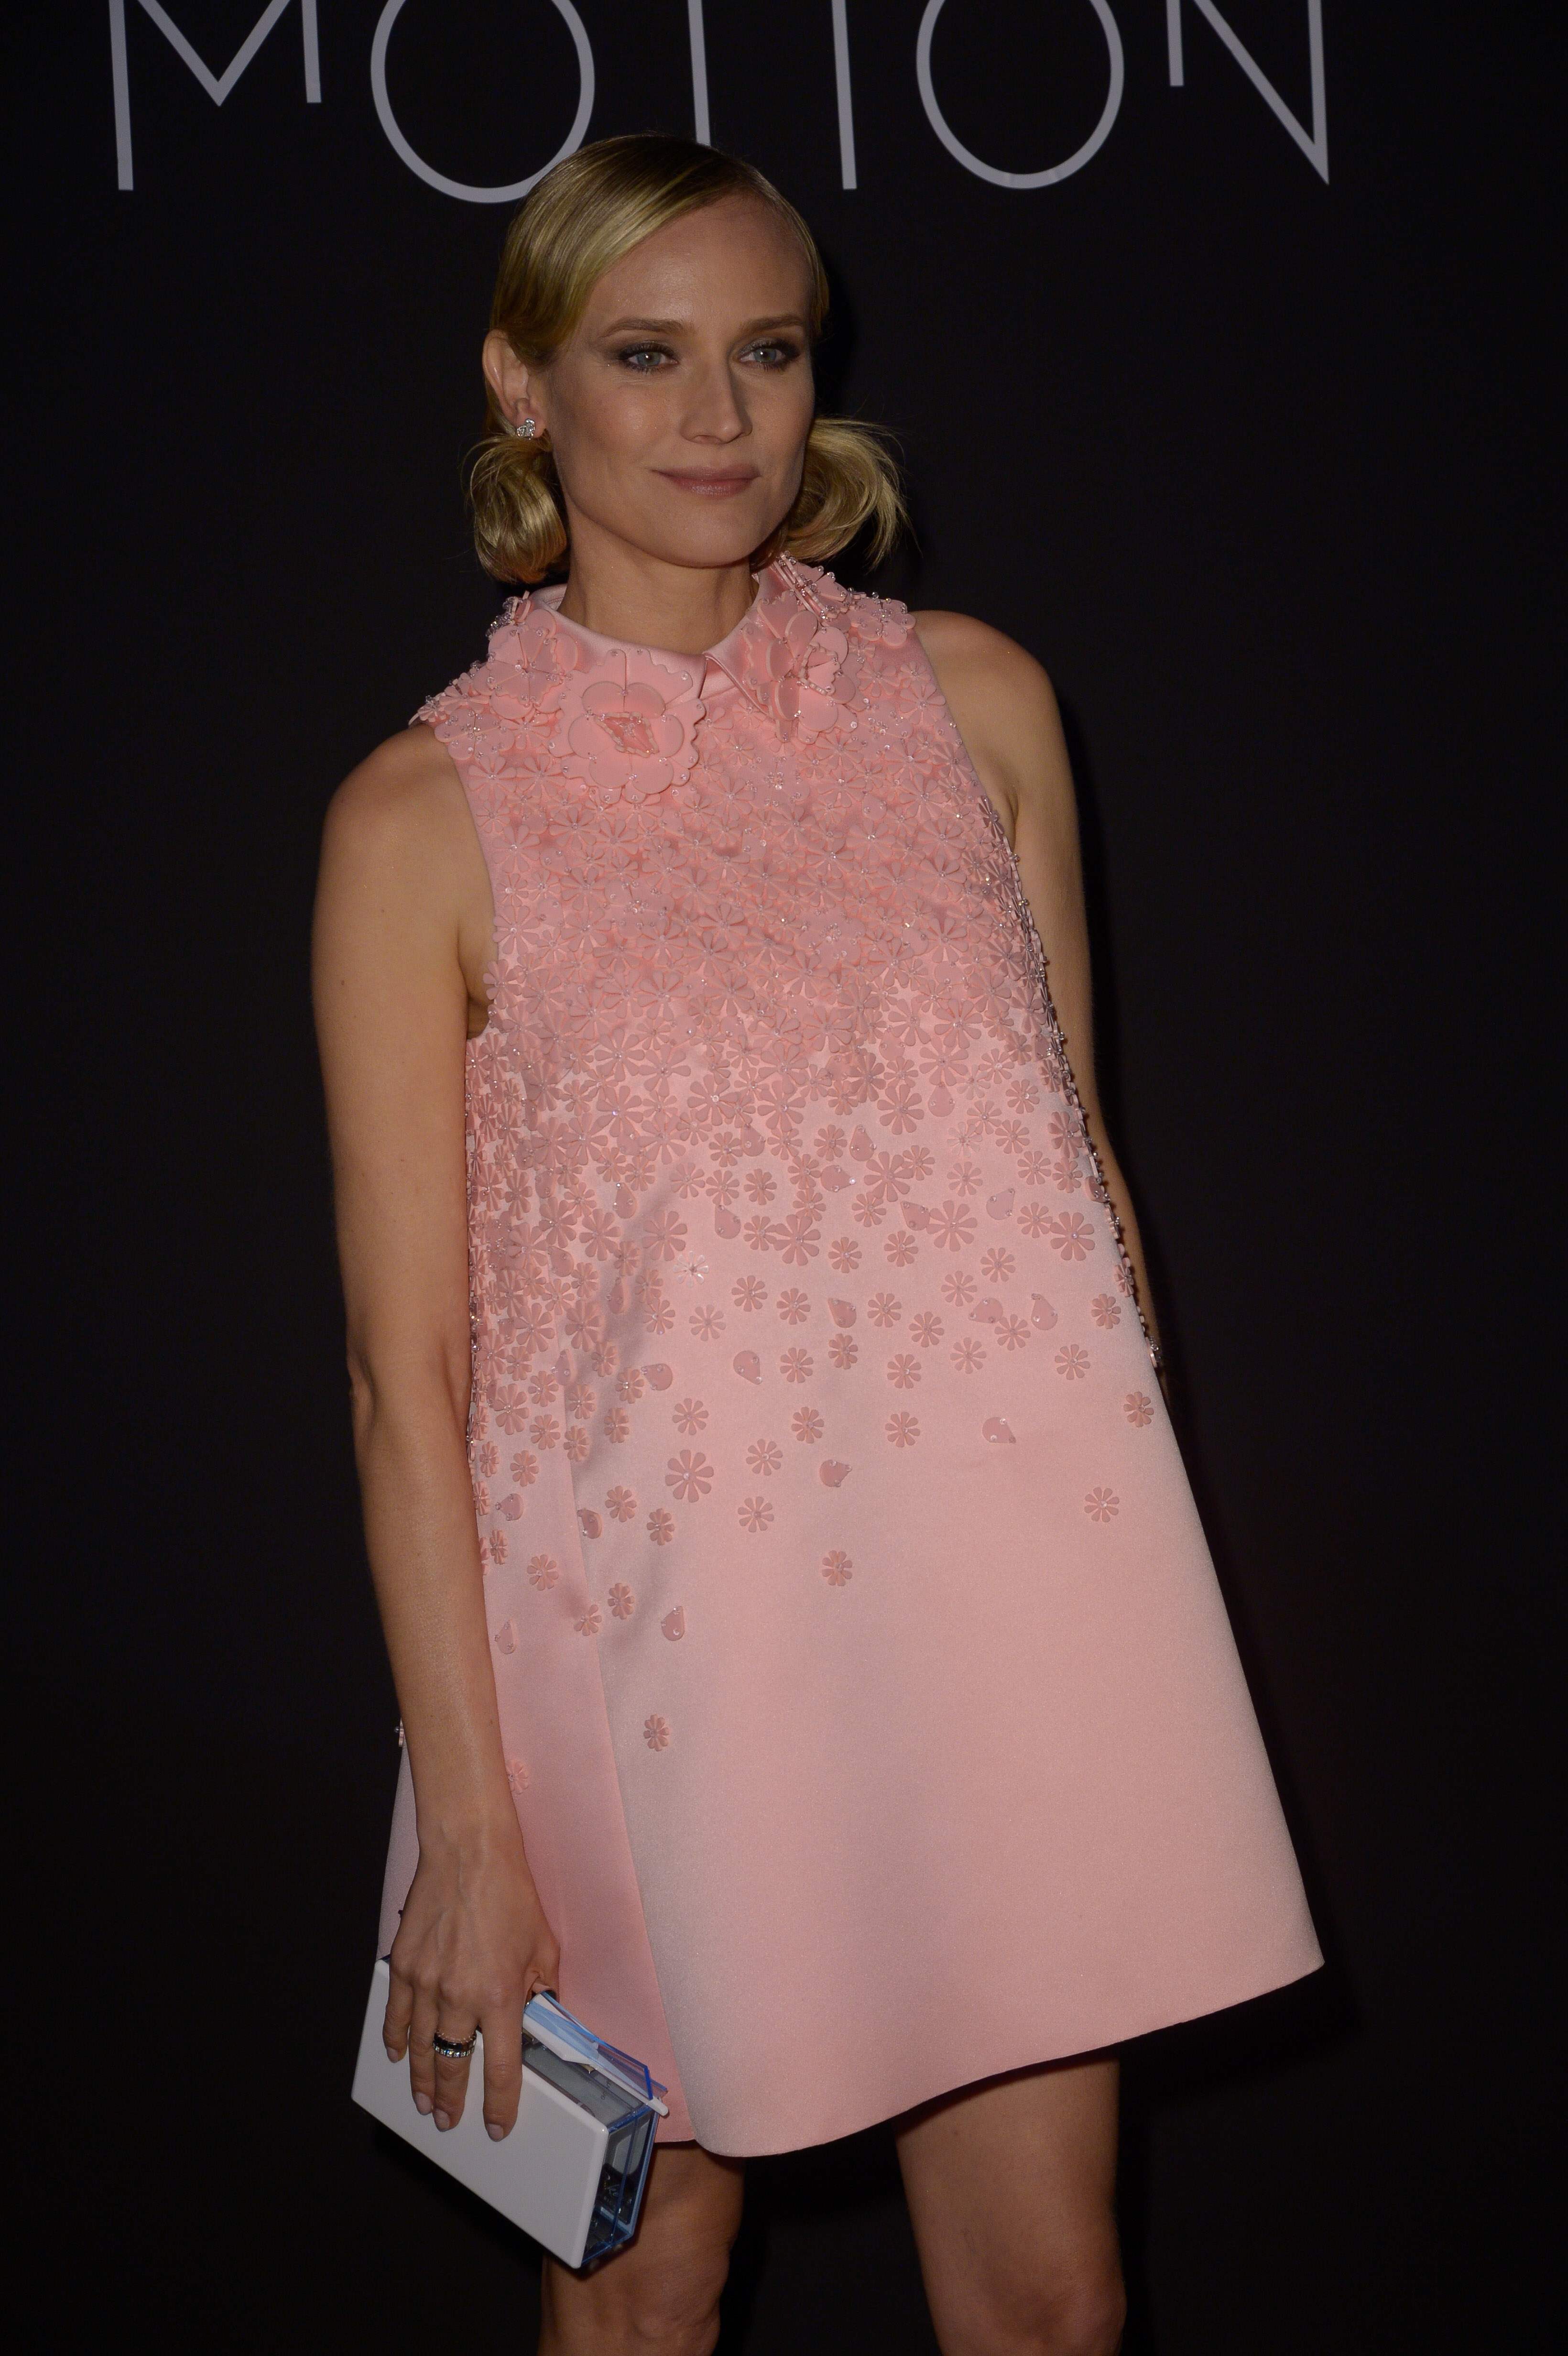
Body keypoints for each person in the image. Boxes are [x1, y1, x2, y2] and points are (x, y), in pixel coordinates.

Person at [314, 134, 1320, 2356]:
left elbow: (1088, 1193)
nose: (717, 416)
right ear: (520, 383)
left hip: (991, 1614)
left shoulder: (975, 703)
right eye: (643, 356)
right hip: (647, 1660)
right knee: (647, 2290)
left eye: (764, 353)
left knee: (1051, 2300)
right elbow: (409, 1374)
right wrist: (470, 1823)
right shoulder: (421, 817)